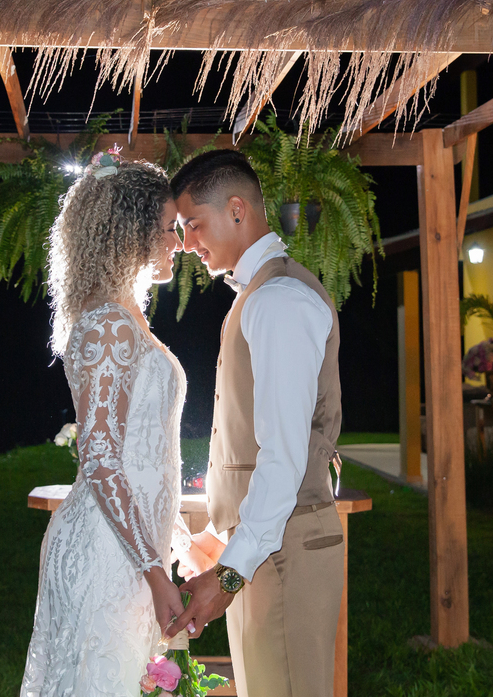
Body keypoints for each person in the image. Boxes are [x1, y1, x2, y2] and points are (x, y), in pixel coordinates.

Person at [164, 149, 345, 697]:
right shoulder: (258, 296)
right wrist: (222, 542)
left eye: (193, 225)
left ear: (237, 209)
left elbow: (283, 458)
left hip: (282, 551)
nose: (187, 243)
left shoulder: (279, 301)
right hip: (262, 546)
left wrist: (228, 575)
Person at [19, 154, 194, 697]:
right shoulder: (109, 326)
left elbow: (148, 455)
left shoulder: (124, 316)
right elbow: (100, 460)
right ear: (134, 229)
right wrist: (154, 570)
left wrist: (176, 541)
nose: (179, 242)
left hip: (133, 552)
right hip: (106, 554)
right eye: (170, 228)